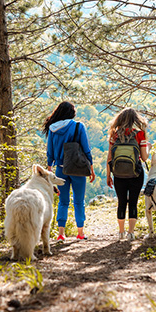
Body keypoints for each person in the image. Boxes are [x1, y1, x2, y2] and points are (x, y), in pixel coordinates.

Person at [44, 102, 96, 242]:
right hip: (78, 168)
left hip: (60, 169)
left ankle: (61, 234)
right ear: (71, 113)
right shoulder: (78, 126)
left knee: (63, 202)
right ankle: (80, 232)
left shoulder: (52, 129)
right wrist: (91, 167)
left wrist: (49, 171)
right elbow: (86, 149)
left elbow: (50, 152)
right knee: (79, 201)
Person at [106, 107, 150, 241]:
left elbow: (109, 157)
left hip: (118, 174)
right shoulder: (139, 134)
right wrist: (148, 147)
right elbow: (144, 157)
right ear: (135, 119)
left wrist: (109, 175)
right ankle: (131, 233)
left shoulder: (115, 134)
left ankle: (120, 232)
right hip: (136, 173)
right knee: (133, 202)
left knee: (121, 202)